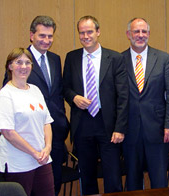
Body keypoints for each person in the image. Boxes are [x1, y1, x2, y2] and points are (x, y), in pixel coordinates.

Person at [0, 16, 69, 195]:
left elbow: (56, 94)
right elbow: (6, 100)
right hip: (21, 149)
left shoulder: (55, 59)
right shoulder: (20, 61)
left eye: (50, 36)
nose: (46, 40)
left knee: (54, 184)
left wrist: (48, 145)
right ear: (31, 35)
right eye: (42, 35)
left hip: (51, 136)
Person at [63, 15, 128, 195]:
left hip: (108, 125)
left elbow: (123, 96)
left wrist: (120, 128)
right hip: (82, 123)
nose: (85, 36)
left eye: (89, 31)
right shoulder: (72, 57)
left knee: (113, 175)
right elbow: (65, 87)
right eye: (82, 33)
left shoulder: (114, 58)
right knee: (87, 175)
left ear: (98, 32)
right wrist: (74, 97)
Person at [122, 17, 169, 191]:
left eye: (144, 31)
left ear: (149, 34)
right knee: (132, 179)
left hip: (158, 130)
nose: (140, 35)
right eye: (136, 31)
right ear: (128, 34)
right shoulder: (118, 60)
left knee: (159, 179)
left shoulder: (163, 58)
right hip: (129, 130)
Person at [0, 48, 54, 196]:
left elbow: (46, 122)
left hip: (42, 159)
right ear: (10, 66)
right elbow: (8, 133)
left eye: (27, 62)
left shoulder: (35, 90)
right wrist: (34, 153)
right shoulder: (6, 93)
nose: (24, 67)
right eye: (19, 62)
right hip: (18, 162)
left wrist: (47, 148)